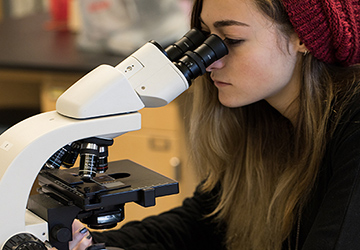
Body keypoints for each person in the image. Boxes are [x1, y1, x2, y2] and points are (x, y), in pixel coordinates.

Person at [68, 0, 360, 249]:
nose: (209, 63)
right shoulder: (265, 119)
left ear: (303, 36)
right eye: (205, 39)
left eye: (231, 40)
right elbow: (206, 222)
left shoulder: (353, 124)